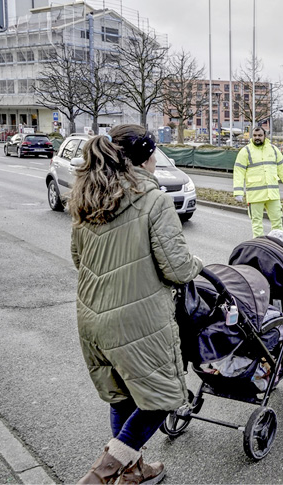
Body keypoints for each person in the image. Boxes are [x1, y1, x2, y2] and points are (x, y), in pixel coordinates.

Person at [70, 125, 203, 484]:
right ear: (146, 159)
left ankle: (134, 471)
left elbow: (79, 259)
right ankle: (102, 473)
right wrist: (198, 265)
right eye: (154, 153)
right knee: (163, 398)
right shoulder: (153, 200)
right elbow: (177, 269)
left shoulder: (88, 197)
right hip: (136, 321)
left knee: (122, 397)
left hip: (91, 318)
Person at [234, 125, 283, 238]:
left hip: (272, 195)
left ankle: (278, 245)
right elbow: (239, 172)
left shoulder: (273, 150)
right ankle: (259, 246)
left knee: (277, 222)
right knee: (257, 224)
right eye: (255, 135)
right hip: (255, 195)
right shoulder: (246, 151)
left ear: (265, 136)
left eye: (260, 135)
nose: (257, 137)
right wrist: (238, 191)